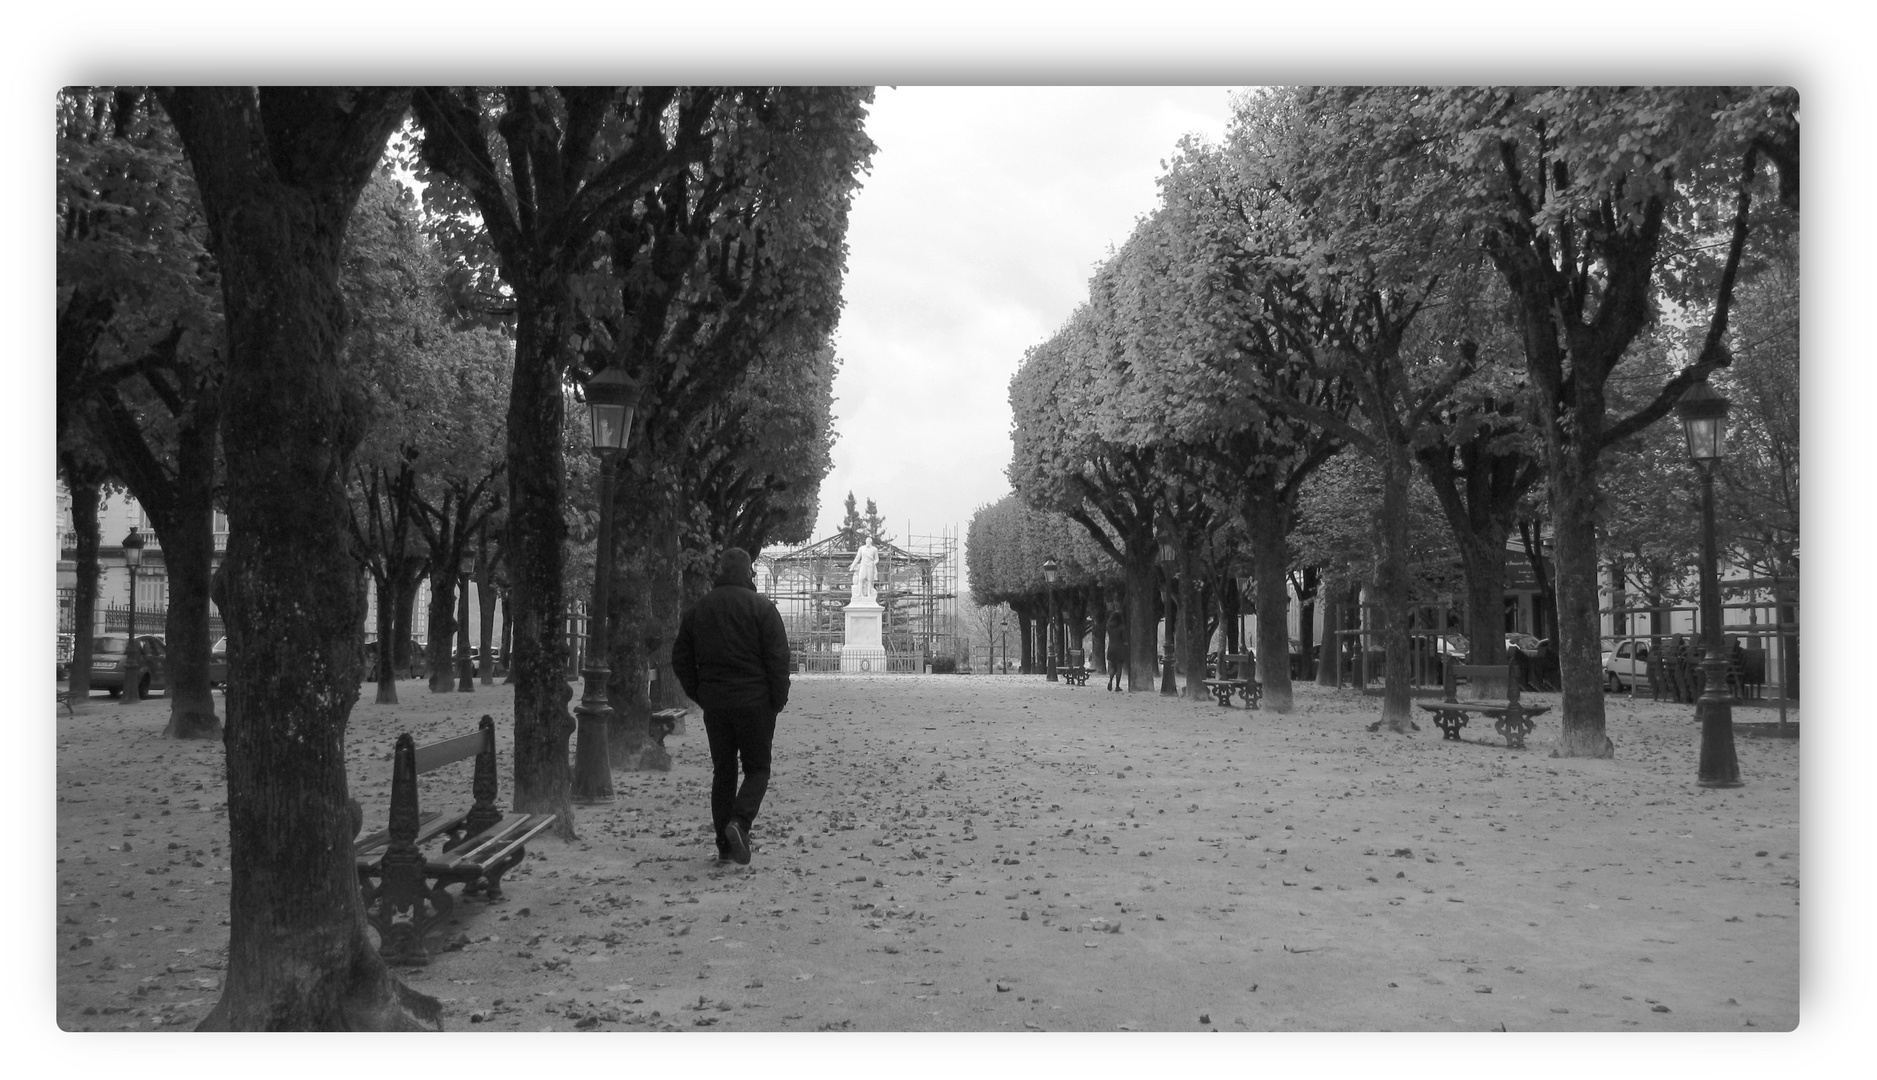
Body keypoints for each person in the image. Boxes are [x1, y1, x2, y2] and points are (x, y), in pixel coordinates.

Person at [672, 547, 791, 866]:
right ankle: (739, 822)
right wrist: (777, 700)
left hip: (717, 703)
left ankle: (725, 847)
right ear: (749, 573)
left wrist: (699, 693)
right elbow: (778, 660)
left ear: (720, 572)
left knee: (723, 772)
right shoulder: (763, 609)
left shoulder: (699, 609)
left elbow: (680, 658)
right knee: (758, 769)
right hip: (755, 702)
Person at [1105, 609, 1127, 691]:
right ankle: (1117, 686)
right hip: (1119, 649)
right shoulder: (1122, 627)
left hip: (1111, 648)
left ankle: (1110, 681)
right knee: (1119, 668)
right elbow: (1124, 639)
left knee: (1113, 667)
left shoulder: (1109, 626)